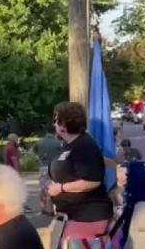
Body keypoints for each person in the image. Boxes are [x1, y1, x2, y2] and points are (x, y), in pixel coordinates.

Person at [46, 101, 113, 240]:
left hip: (86, 216)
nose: (54, 124)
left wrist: (62, 188)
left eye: (56, 120)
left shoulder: (84, 146)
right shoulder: (68, 145)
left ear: (64, 124)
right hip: (69, 214)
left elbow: (93, 181)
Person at [32, 134, 62, 215]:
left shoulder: (40, 142)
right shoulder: (58, 142)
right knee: (52, 187)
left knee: (42, 188)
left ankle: (42, 208)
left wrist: (38, 157)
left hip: (43, 166)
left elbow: (33, 151)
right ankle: (50, 210)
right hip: (54, 166)